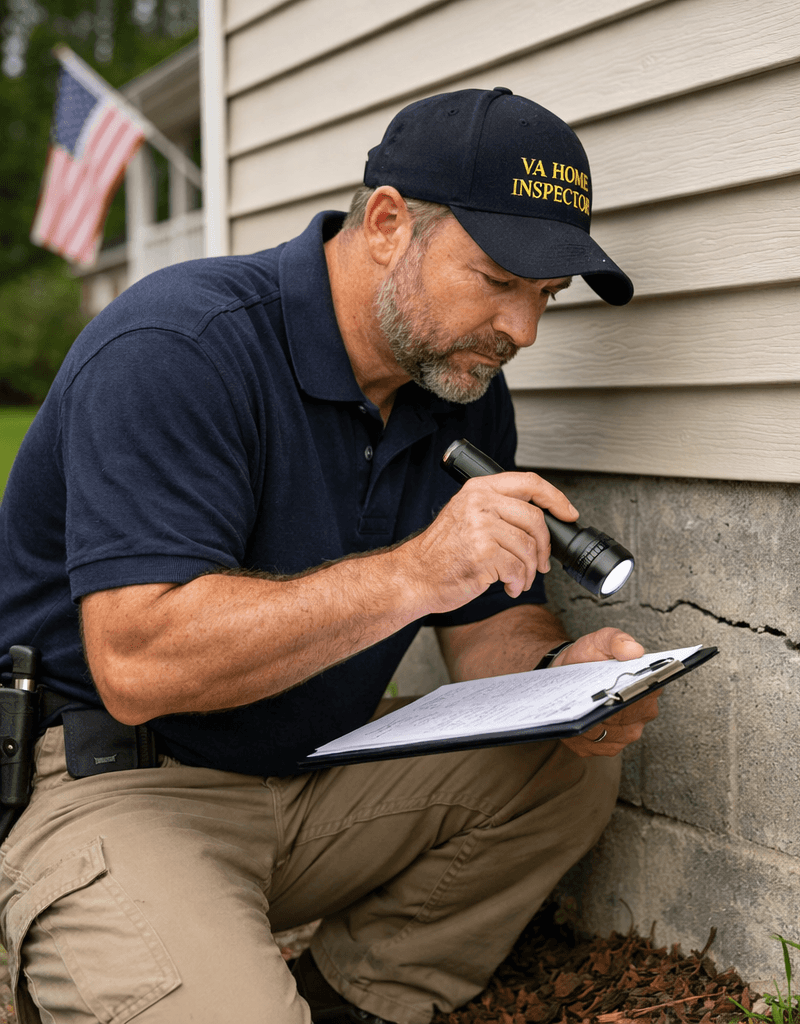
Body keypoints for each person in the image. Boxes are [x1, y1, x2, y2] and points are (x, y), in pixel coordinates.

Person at [0, 87, 659, 1022]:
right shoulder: (181, 345)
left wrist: (559, 676)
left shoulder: (458, 388)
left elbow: (488, 629)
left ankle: (346, 997)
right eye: (498, 280)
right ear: (388, 224)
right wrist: (415, 572)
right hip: (119, 781)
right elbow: (138, 664)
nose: (523, 330)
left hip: (312, 768)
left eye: (545, 297)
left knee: (564, 762)